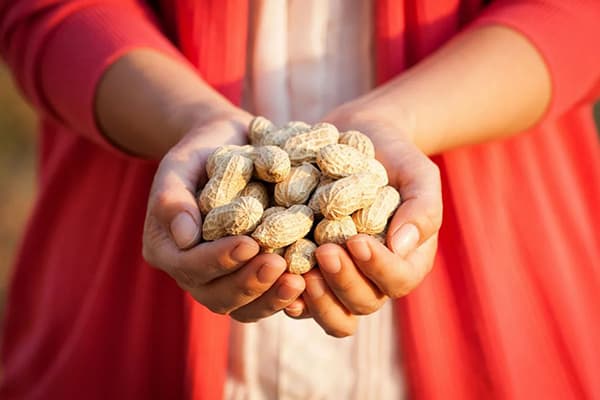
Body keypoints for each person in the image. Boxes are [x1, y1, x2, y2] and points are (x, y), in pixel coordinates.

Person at [1, 0, 599, 399]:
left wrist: (405, 117)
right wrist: (187, 117)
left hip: (513, 305)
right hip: (120, 331)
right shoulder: (269, 173)